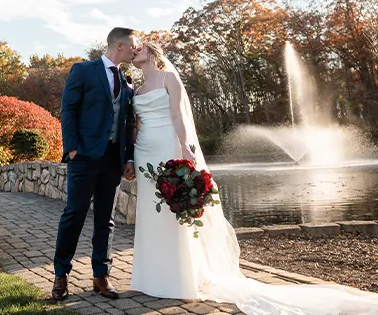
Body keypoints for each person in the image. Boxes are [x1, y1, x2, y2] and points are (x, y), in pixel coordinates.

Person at [131, 42, 378, 315]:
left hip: (168, 146)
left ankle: (179, 278)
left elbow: (178, 115)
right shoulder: (137, 89)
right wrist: (131, 156)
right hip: (145, 153)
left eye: (139, 48)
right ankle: (150, 277)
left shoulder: (170, 78)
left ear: (152, 52)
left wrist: (186, 149)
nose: (135, 52)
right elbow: (136, 125)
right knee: (151, 213)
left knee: (174, 213)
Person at [52, 27, 138, 302]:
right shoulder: (84, 70)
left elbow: (126, 123)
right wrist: (72, 148)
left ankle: (101, 275)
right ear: (120, 45)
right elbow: (69, 109)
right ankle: (61, 276)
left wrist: (127, 158)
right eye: (133, 46)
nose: (136, 50)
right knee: (73, 215)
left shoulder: (125, 82)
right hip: (84, 158)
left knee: (106, 220)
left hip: (112, 160)